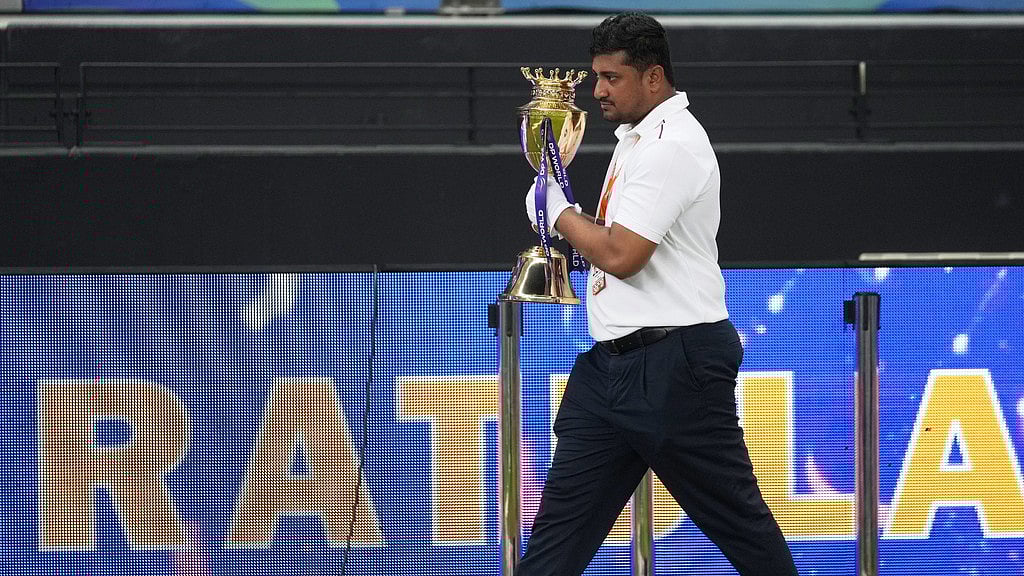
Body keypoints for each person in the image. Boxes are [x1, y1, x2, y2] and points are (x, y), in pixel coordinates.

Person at [519, 12, 799, 576]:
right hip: (610, 370)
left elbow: (622, 256)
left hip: (676, 367)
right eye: (595, 76)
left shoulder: (672, 144)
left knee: (742, 531)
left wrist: (558, 210)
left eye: (611, 78)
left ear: (653, 77)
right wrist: (567, 225)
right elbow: (614, 249)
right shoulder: (637, 138)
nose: (597, 90)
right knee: (556, 541)